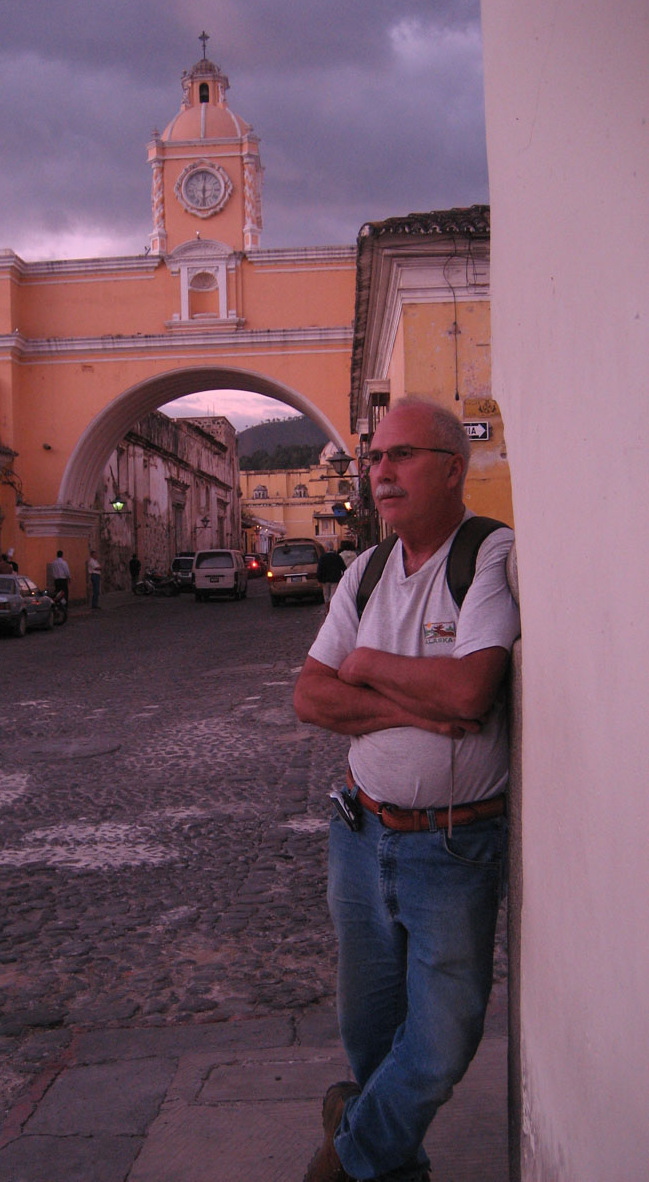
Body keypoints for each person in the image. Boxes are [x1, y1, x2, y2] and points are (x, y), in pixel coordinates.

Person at [294, 397, 520, 1182]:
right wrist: (411, 707)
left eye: (402, 455)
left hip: (453, 843)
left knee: (443, 1038)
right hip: (360, 833)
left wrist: (366, 667)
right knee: (369, 1031)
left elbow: (469, 690)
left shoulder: (486, 555)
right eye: (375, 458)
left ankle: (346, 1158)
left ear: (453, 469)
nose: (381, 473)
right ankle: (391, 1166)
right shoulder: (365, 572)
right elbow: (310, 696)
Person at [316, 547, 347, 613]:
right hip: (335, 579)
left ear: (326, 549)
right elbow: (343, 567)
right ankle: (332, 610)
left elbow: (319, 569)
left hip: (325, 579)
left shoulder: (323, 557)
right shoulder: (337, 557)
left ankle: (327, 610)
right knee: (333, 595)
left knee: (326, 595)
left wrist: (319, 579)